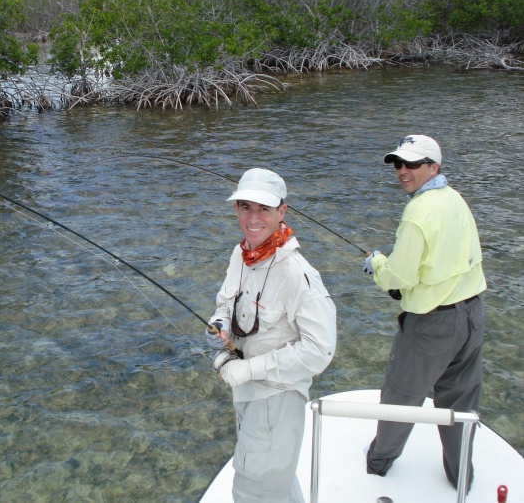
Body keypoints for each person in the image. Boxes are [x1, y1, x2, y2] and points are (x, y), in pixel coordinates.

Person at [362, 135, 487, 491]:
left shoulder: (418, 212)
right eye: (398, 164)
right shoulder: (455, 199)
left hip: (433, 324)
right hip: (473, 314)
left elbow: (399, 277)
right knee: (461, 400)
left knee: (402, 394)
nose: (403, 171)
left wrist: (376, 265)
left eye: (412, 164)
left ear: (434, 167)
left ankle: (379, 461)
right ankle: (461, 474)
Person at [206, 168, 337, 503]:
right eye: (244, 207)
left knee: (253, 490)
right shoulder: (240, 253)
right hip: (246, 392)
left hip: (277, 398)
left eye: (263, 209)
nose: (252, 218)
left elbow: (320, 351)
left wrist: (249, 370)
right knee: (273, 485)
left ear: (282, 211)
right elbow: (225, 301)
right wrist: (219, 325)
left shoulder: (299, 274)